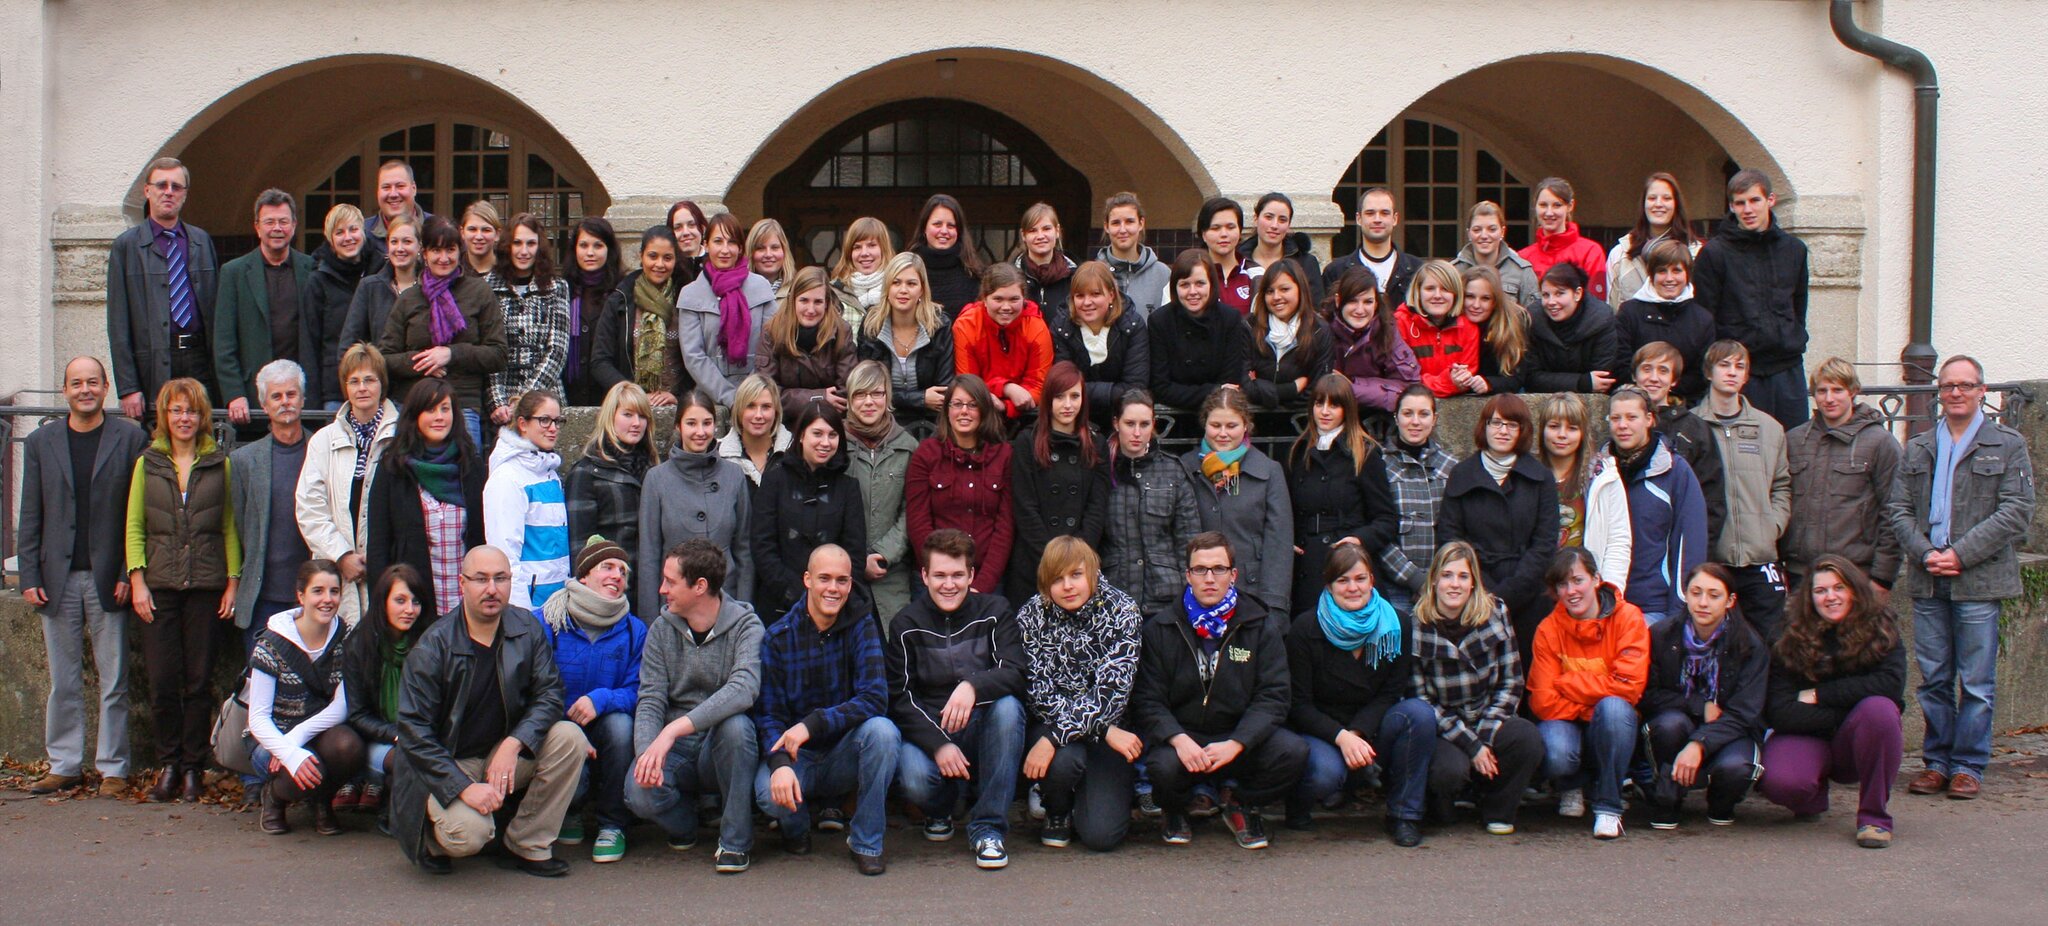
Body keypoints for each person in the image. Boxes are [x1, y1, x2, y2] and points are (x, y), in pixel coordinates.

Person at [390, 546, 590, 876]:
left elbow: (550, 694)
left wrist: (514, 744)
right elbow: (414, 735)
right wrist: (463, 786)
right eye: (481, 579)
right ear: (462, 583)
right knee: (470, 835)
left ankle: (526, 843)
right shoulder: (433, 647)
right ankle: (432, 837)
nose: (492, 589)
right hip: (445, 764)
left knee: (569, 737)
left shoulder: (525, 628)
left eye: (500, 578)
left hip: (501, 755)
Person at [1889, 354, 2037, 801]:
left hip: (1979, 578)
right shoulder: (1918, 446)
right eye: (1948, 385)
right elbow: (1897, 510)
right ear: (1939, 393)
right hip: (1929, 575)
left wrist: (1960, 554)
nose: (1956, 392)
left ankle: (1969, 764)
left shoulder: (2007, 444)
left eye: (1965, 385)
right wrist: (1927, 553)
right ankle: (1936, 762)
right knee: (1933, 677)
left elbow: (2016, 512)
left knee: (1976, 681)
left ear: (1981, 392)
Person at [16, 357, 148, 797]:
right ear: (65, 390)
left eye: (93, 382)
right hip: (56, 578)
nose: (85, 389)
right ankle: (65, 764)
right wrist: (28, 571)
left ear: (106, 388)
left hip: (110, 577)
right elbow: (31, 511)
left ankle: (113, 769)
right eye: (76, 383)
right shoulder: (41, 442)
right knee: (64, 680)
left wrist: (132, 571)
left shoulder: (130, 439)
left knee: (114, 680)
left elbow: (138, 514)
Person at [1132, 532, 1307, 849]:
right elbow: (1148, 699)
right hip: (1186, 739)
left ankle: (1241, 803)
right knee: (1161, 768)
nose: (1209, 578)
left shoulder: (1259, 625)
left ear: (1234, 574)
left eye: (1219, 569)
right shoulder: (1161, 628)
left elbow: (1274, 696)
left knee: (1293, 753)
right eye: (1200, 570)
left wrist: (1239, 742)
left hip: (1237, 738)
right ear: (1187, 575)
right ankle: (1175, 810)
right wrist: (1178, 739)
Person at [124, 377, 239, 803]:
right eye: (176, 410)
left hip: (206, 586)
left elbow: (229, 526)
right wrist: (137, 578)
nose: (184, 418)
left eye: (190, 410)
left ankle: (193, 768)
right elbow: (135, 525)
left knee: (198, 680)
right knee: (162, 681)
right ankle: (168, 764)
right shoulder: (147, 464)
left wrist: (232, 582)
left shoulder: (219, 463)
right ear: (164, 416)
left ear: (201, 415)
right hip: (160, 586)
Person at [752, 545, 900, 875]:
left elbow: (875, 697)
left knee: (884, 732)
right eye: (824, 579)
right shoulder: (778, 637)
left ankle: (866, 842)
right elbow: (769, 714)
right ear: (807, 580)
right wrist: (778, 764)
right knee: (767, 793)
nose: (833, 588)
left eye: (842, 580)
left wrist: (815, 723)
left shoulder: (862, 624)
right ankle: (796, 828)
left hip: (844, 751)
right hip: (796, 755)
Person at [886, 530, 1029, 867]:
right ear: (924, 576)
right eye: (939, 575)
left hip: (981, 726)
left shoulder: (995, 610)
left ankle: (988, 828)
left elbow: (1016, 670)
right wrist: (938, 744)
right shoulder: (905, 624)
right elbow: (899, 697)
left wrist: (973, 686)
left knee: (1009, 709)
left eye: (956, 575)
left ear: (971, 575)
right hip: (930, 729)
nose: (948, 584)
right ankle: (942, 808)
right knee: (915, 778)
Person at [627, 540, 764, 874]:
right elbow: (650, 699)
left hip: (720, 746)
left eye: (670, 582)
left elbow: (744, 688)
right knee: (638, 792)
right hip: (677, 750)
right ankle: (685, 827)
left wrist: (673, 729)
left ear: (700, 586)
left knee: (737, 727)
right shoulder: (661, 630)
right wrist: (648, 753)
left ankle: (734, 843)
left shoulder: (747, 626)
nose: (661, 590)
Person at [1283, 545, 1434, 846]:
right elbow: (1298, 705)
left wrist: (1358, 731)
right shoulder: (1305, 628)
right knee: (1325, 773)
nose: (1353, 588)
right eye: (1342, 580)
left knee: (1419, 713)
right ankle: (1299, 804)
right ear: (1328, 585)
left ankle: (1405, 815)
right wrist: (1342, 736)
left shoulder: (1398, 624)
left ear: (1372, 581)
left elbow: (1393, 691)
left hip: (1373, 724)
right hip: (1324, 729)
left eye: (1360, 578)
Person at [1757, 557, 1906, 849]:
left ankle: (1874, 818)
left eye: (1839, 588)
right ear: (1809, 597)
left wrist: (1819, 696)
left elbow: (1890, 686)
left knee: (1879, 712)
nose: (1831, 597)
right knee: (1782, 782)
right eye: (1821, 591)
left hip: (1857, 738)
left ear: (1854, 590)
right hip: (1808, 734)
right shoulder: (1788, 632)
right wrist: (1845, 714)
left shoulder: (1881, 625)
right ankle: (1811, 797)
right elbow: (1779, 709)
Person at [1015, 536, 1143, 850]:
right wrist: (1063, 734)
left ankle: (1090, 800)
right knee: (1063, 762)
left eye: (1076, 575)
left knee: (1101, 836)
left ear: (1093, 574)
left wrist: (1055, 737)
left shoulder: (1123, 611)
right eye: (1057, 579)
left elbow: (1113, 694)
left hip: (1107, 730)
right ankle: (1056, 810)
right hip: (1064, 727)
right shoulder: (1030, 616)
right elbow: (1040, 695)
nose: (1068, 586)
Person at [1410, 542, 1543, 834]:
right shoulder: (1417, 624)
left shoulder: (1495, 612)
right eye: (1447, 575)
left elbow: (1511, 682)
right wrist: (1471, 746)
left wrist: (1483, 739)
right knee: (1448, 772)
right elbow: (1422, 700)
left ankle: (1497, 808)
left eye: (1463, 576)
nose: (1454, 584)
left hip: (1489, 717)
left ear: (1473, 582)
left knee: (1527, 739)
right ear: (1433, 579)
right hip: (1446, 726)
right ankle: (1446, 801)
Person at [1527, 547, 1650, 839]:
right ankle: (1573, 783)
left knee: (1615, 711)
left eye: (1578, 580)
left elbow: (1629, 688)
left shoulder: (1629, 618)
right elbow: (1542, 701)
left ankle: (1608, 807)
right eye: (1562, 584)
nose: (1571, 591)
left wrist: (1568, 683)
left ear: (1596, 579)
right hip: (1567, 723)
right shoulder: (1547, 629)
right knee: (1557, 750)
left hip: (1610, 722)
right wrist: (1592, 705)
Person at [541, 539, 647, 863]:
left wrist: (600, 699)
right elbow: (535, 684)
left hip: (605, 720)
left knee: (620, 726)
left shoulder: (634, 630)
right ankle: (569, 812)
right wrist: (567, 726)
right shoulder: (549, 620)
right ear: (584, 576)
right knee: (565, 747)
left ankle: (612, 824)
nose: (617, 575)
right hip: (558, 723)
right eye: (608, 567)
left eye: (623, 571)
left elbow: (638, 691)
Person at [1640, 563, 1765, 829]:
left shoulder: (1750, 644)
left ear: (1730, 600)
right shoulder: (1662, 634)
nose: (1703, 603)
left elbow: (1745, 713)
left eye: (1714, 595)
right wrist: (1699, 705)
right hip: (1679, 720)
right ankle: (1667, 797)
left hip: (1730, 728)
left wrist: (1699, 743)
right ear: (1685, 594)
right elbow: (1647, 694)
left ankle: (1721, 802)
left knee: (1735, 768)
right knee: (1667, 725)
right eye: (1696, 592)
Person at [246, 560, 366, 836]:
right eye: (318, 591)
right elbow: (258, 719)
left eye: (334, 591)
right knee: (307, 761)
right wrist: (288, 751)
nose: (327, 599)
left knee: (349, 746)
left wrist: (296, 738)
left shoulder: (346, 639)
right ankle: (275, 796)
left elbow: (342, 706)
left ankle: (321, 799)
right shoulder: (270, 644)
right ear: (301, 596)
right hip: (271, 738)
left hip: (315, 731)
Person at [1441, 394, 1560, 661]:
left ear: (1523, 430)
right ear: (1484, 426)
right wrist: (1483, 590)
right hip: (1473, 594)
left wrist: (1510, 592)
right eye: (1496, 423)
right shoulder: (1461, 475)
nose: (1502, 431)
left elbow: (1545, 543)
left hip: (1529, 596)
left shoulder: (1541, 478)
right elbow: (1450, 537)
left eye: (1511, 424)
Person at [1693, 169, 1811, 428]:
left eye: (1754, 200)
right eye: (1739, 203)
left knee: (1793, 446)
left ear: (1770, 200)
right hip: (1741, 371)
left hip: (1787, 369)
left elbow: (1798, 306)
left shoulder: (1794, 250)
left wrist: (1791, 337)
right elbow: (1705, 317)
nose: (1747, 209)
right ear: (1731, 207)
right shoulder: (1715, 253)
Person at [377, 215, 507, 450]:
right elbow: (385, 357)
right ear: (424, 253)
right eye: (436, 250)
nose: (444, 258)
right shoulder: (408, 299)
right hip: (414, 404)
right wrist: (423, 360)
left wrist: (451, 354)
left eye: (450, 249)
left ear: (460, 251)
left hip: (462, 403)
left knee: (464, 478)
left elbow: (498, 354)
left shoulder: (479, 291)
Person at [365, 378, 486, 624]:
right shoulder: (392, 468)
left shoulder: (472, 467)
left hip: (466, 606)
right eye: (430, 409)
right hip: (413, 607)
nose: (439, 417)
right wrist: (382, 606)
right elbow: (378, 544)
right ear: (415, 416)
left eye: (445, 408)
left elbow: (484, 537)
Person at [108, 157, 221, 419]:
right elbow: (118, 322)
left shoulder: (201, 241)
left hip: (198, 359)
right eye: (161, 185)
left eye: (176, 186)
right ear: (147, 191)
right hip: (153, 363)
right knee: (158, 441)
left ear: (184, 195)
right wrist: (128, 386)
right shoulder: (126, 247)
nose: (168, 192)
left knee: (202, 431)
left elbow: (215, 310)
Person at [1783, 358, 1901, 595]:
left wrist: (1883, 578)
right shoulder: (1794, 440)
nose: (1829, 398)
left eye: (1837, 390)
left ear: (1853, 392)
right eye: (1822, 391)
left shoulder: (1879, 442)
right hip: (1800, 574)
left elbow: (1895, 510)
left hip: (1855, 575)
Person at [1701, 340, 1793, 640]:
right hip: (1713, 559)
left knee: (1768, 644)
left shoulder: (1770, 428)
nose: (1732, 373)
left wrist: (1771, 526)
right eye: (1724, 365)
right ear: (1709, 372)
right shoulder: (1692, 426)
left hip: (1759, 557)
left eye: (1739, 367)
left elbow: (1782, 484)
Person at [1285, 374, 1399, 612]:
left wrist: (1358, 540)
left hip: (1347, 564)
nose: (1324, 411)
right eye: (1319, 403)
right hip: (1307, 566)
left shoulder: (1365, 453)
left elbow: (1386, 520)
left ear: (1347, 409)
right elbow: (1290, 509)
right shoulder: (1299, 452)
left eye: (1334, 405)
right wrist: (1290, 540)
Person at [638, 389, 754, 613]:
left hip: (726, 606)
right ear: (678, 427)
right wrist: (650, 623)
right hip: (674, 608)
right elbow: (649, 558)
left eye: (707, 423)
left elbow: (744, 552)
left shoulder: (734, 475)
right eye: (691, 423)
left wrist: (745, 610)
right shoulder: (656, 479)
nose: (700, 432)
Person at [1181, 387, 1293, 616]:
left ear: (1245, 426)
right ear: (1205, 424)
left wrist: (1274, 605)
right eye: (1215, 425)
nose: (1223, 433)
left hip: (1251, 594)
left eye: (1231, 426)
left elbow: (1278, 543)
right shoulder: (1185, 468)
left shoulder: (1269, 471)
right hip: (1197, 595)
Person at [1604, 386, 1710, 627]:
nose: (1623, 425)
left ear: (1649, 419)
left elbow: (1690, 542)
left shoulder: (1675, 470)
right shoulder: (1599, 469)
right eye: (1616, 418)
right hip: (1604, 604)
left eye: (1632, 417)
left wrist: (1678, 610)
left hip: (1654, 607)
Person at [753, 402, 870, 617]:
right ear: (801, 436)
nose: (825, 442)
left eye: (832, 435)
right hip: (779, 605)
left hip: (833, 606)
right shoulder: (774, 481)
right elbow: (763, 546)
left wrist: (828, 595)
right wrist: (794, 593)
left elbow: (854, 553)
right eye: (817, 433)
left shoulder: (848, 488)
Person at [1007, 362, 1111, 603]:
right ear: (1048, 400)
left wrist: (1076, 559)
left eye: (1075, 396)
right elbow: (1025, 507)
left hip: (1081, 566)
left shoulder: (1097, 444)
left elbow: (1097, 507)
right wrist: (1052, 561)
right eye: (1059, 396)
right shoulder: (1026, 442)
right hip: (1034, 562)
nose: (1067, 405)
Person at [229, 360, 313, 653]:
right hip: (262, 595)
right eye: (276, 396)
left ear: (303, 400)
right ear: (264, 405)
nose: (285, 402)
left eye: (291, 394)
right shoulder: (244, 461)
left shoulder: (322, 451)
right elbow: (239, 524)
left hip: (311, 594)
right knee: (260, 686)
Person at [907, 375, 1015, 595]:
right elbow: (918, 523)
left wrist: (981, 585)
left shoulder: (1004, 456)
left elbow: (1005, 527)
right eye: (957, 404)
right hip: (935, 581)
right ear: (947, 410)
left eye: (973, 405)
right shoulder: (926, 455)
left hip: (988, 580)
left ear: (984, 410)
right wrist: (941, 576)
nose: (964, 411)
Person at [213, 189, 314, 426]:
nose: (276, 228)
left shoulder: (311, 269)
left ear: (294, 225)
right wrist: (234, 394)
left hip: (301, 395)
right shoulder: (233, 272)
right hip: (251, 399)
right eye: (269, 222)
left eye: (283, 221)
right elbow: (223, 341)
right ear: (257, 227)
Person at [1101, 391, 1201, 615]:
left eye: (1144, 424)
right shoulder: (1100, 470)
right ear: (1116, 423)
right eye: (1130, 423)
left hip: (1165, 597)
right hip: (1112, 596)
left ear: (1153, 424)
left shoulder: (1173, 470)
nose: (1137, 433)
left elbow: (1189, 539)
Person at [343, 564, 427, 821]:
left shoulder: (429, 641)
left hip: (420, 734)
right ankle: (396, 814)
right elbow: (357, 715)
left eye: (416, 601)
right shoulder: (359, 644)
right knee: (410, 760)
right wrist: (398, 734)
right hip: (377, 738)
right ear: (383, 602)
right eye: (400, 601)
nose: (409, 610)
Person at [564, 382, 659, 605]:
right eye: (627, 414)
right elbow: (580, 551)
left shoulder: (654, 470)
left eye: (642, 416)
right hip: (607, 594)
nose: (636, 423)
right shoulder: (586, 473)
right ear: (610, 417)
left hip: (649, 590)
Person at [843, 361, 921, 622]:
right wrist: (856, 560)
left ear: (887, 396)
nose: (869, 402)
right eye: (860, 394)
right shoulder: (836, 444)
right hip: (844, 571)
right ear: (850, 399)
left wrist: (884, 553)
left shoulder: (907, 446)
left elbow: (911, 510)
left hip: (892, 574)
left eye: (876, 393)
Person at [678, 213, 778, 407]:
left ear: (740, 248)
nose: (725, 250)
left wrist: (750, 394)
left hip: (758, 396)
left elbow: (772, 345)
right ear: (706, 245)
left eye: (732, 242)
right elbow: (693, 356)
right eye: (718, 241)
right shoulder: (691, 294)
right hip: (709, 399)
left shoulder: (761, 287)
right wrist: (730, 397)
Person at [1634, 341, 1728, 544]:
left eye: (1663, 370)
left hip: (1678, 542)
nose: (1653, 378)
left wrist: (1700, 550)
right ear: (1635, 376)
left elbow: (1712, 498)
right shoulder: (1619, 422)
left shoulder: (1695, 429)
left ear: (1674, 380)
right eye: (1647, 369)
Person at [1537, 392, 1631, 593]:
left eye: (1572, 428)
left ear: (1583, 433)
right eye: (1554, 426)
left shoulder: (1603, 475)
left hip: (1587, 590)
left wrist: (1609, 591)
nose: (1562, 435)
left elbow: (1618, 541)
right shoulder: (1528, 473)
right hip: (1538, 587)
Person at [1377, 385, 1458, 617]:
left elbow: (1458, 528)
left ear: (1435, 419)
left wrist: (1438, 579)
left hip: (1441, 586)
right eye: (1407, 413)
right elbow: (1378, 529)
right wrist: (1415, 579)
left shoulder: (1451, 466)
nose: (1415, 421)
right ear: (1396, 417)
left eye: (1423, 414)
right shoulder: (1379, 464)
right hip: (1396, 585)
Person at [484, 391, 570, 611]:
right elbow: (505, 553)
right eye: (544, 420)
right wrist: (521, 616)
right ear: (522, 423)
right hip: (530, 608)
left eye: (557, 421)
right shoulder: (507, 478)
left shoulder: (549, 472)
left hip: (556, 602)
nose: (553, 428)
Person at [485, 212, 569, 428]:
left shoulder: (556, 287)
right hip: (502, 407)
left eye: (531, 243)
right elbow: (489, 349)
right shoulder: (488, 286)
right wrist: (499, 402)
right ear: (507, 246)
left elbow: (557, 350)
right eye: (517, 243)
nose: (524, 251)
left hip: (546, 398)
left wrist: (523, 402)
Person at [855, 251, 955, 425]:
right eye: (896, 283)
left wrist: (898, 397)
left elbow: (942, 393)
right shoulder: (871, 326)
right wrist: (921, 398)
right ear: (887, 288)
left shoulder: (940, 325)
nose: (903, 290)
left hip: (931, 423)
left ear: (922, 289)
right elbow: (867, 389)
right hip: (880, 422)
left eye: (911, 283)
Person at [591, 225, 687, 405]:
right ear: (641, 256)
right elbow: (600, 361)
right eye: (653, 256)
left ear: (675, 260)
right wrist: (632, 393)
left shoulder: (685, 299)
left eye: (667, 258)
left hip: (676, 407)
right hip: (630, 406)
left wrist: (679, 396)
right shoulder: (620, 300)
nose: (659, 264)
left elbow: (695, 358)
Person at [1149, 249, 1252, 412]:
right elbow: (1160, 387)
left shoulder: (1230, 319)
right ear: (1174, 287)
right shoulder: (1160, 321)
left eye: (1200, 283)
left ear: (1211, 284)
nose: (1192, 292)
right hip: (1173, 420)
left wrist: (1219, 391)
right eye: (1184, 284)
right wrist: (1215, 390)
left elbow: (1231, 383)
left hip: (1220, 415)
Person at [1046, 261, 1150, 421]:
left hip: (1122, 417)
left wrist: (1080, 391)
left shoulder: (1133, 326)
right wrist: (1112, 391)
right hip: (1073, 419)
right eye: (1080, 296)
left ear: (1111, 295)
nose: (1087, 302)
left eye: (1095, 294)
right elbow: (1063, 386)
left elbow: (1135, 388)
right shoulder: (1061, 327)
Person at [753, 265, 858, 423]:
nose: (810, 309)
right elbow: (768, 392)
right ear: (793, 300)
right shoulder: (771, 332)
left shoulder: (842, 331)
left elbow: (844, 392)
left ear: (826, 303)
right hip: (784, 422)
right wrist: (818, 397)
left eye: (817, 302)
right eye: (804, 300)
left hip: (830, 421)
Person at [953, 263, 1054, 421]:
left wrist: (1006, 407)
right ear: (984, 299)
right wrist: (1007, 388)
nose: (1006, 307)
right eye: (998, 299)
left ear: (1023, 299)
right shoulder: (967, 325)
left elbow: (1039, 386)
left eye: (1014, 299)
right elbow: (968, 383)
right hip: (978, 410)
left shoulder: (1036, 327)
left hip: (1026, 414)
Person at [301, 204, 374, 409]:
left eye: (353, 229)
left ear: (363, 231)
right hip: (334, 389)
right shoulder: (317, 281)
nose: (348, 237)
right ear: (330, 240)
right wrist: (312, 399)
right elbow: (309, 343)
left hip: (375, 384)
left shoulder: (380, 271)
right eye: (339, 232)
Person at [1327, 265, 1421, 417]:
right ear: (1338, 301)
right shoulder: (1322, 329)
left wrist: (1351, 388)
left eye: (1368, 302)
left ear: (1376, 303)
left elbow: (1409, 389)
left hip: (1377, 420)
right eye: (1352, 301)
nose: (1360, 310)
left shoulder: (1387, 331)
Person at [1243, 259, 1332, 415]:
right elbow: (1244, 386)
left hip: (1301, 422)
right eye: (1270, 291)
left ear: (1300, 289)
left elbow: (1316, 389)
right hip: (1254, 421)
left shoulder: (1319, 330)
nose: (1276, 297)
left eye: (1284, 289)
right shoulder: (1249, 326)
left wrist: (1263, 392)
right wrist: (1291, 389)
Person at [1523, 262, 1620, 394]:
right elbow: (1530, 377)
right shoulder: (1531, 320)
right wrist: (1581, 382)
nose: (1551, 302)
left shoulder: (1602, 320)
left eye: (1559, 294)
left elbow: (1602, 379)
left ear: (1577, 294)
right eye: (1546, 295)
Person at [1606, 172, 1703, 303]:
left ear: (1676, 204)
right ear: (1643, 204)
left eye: (1666, 198)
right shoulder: (1620, 254)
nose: (1658, 204)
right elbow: (1612, 307)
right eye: (1652, 198)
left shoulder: (1696, 253)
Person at [558, 218, 625, 406]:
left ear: (609, 249)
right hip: (569, 395)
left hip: (610, 397)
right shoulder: (563, 290)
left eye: (598, 245)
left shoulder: (622, 291)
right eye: (583, 245)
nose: (590, 253)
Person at [1396, 260, 1481, 398]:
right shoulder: (1401, 323)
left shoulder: (1468, 328)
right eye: (1430, 288)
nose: (1437, 295)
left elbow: (1466, 377)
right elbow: (1404, 379)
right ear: (1418, 292)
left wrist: (1457, 381)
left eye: (1445, 289)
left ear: (1455, 293)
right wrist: (1449, 382)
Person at [1325, 187, 1423, 305]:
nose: (1377, 219)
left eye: (1384, 213)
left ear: (1395, 219)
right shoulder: (1336, 271)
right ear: (1359, 219)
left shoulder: (1417, 270)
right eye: (1370, 213)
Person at [1522, 177, 1608, 303]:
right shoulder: (1524, 257)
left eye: (1557, 205)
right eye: (1543, 205)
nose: (1549, 212)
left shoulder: (1590, 252)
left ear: (1570, 206)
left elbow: (1596, 305)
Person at [340, 215, 418, 354]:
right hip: (379, 373)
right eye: (394, 242)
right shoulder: (369, 287)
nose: (400, 248)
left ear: (420, 246)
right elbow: (349, 346)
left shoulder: (432, 288)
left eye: (407, 241)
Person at [1454, 265, 1529, 395]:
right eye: (1470, 296)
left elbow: (1517, 378)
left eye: (1485, 298)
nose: (1476, 305)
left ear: (1495, 301)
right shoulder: (1449, 324)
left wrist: (1489, 383)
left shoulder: (1510, 326)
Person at [1239, 192, 1325, 306]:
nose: (1274, 225)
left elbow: (1315, 309)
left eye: (1282, 220)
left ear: (1289, 225)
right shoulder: (1238, 261)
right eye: (1268, 217)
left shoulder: (1306, 263)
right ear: (1256, 218)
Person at [1453, 201, 1540, 310]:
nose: (1484, 235)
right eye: (1477, 230)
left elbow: (1533, 318)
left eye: (1492, 229)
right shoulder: (1454, 271)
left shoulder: (1522, 272)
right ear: (1469, 233)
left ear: (1502, 232)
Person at [1095, 192, 1171, 318]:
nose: (1123, 230)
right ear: (1106, 226)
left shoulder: (1162, 274)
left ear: (1141, 223)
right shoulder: (1093, 273)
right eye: (1116, 223)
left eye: (1129, 221)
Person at [908, 193, 984, 317]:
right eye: (937, 224)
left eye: (951, 226)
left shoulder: (975, 274)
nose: (944, 231)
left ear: (959, 231)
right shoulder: (907, 269)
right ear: (924, 228)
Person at [718, 373, 793, 485]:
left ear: (776, 411)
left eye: (766, 407)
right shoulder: (719, 456)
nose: (758, 415)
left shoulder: (794, 452)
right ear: (739, 410)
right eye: (750, 406)